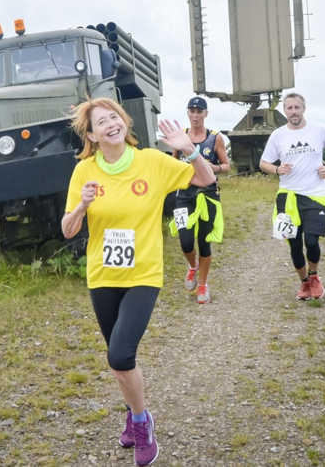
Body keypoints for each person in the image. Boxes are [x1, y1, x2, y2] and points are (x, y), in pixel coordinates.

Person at [61, 97, 214, 466]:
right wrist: (81, 205)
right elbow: (68, 230)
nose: (111, 124)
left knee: (120, 354)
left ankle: (142, 424)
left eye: (115, 117)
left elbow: (206, 180)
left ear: (124, 123)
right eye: (102, 122)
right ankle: (133, 415)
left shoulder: (151, 162)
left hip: (143, 274)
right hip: (102, 276)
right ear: (92, 135)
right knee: (119, 364)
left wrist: (188, 149)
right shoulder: (84, 171)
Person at [259, 92, 325, 301]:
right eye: (289, 108)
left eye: (297, 107)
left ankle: (314, 276)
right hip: (288, 197)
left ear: (303, 109)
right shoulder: (278, 135)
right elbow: (263, 163)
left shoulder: (319, 130)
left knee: (312, 242)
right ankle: (304, 283)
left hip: (316, 195)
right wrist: (277, 170)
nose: (293, 112)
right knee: (295, 245)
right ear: (284, 110)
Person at [170, 96, 230, 304]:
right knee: (185, 241)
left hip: (208, 196)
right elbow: (173, 164)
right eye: (192, 111)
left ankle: (203, 284)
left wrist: (212, 168)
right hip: (183, 196)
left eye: (199, 111)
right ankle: (192, 266)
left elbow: (226, 166)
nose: (195, 115)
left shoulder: (215, 138)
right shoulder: (181, 137)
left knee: (204, 243)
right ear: (188, 113)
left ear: (205, 114)